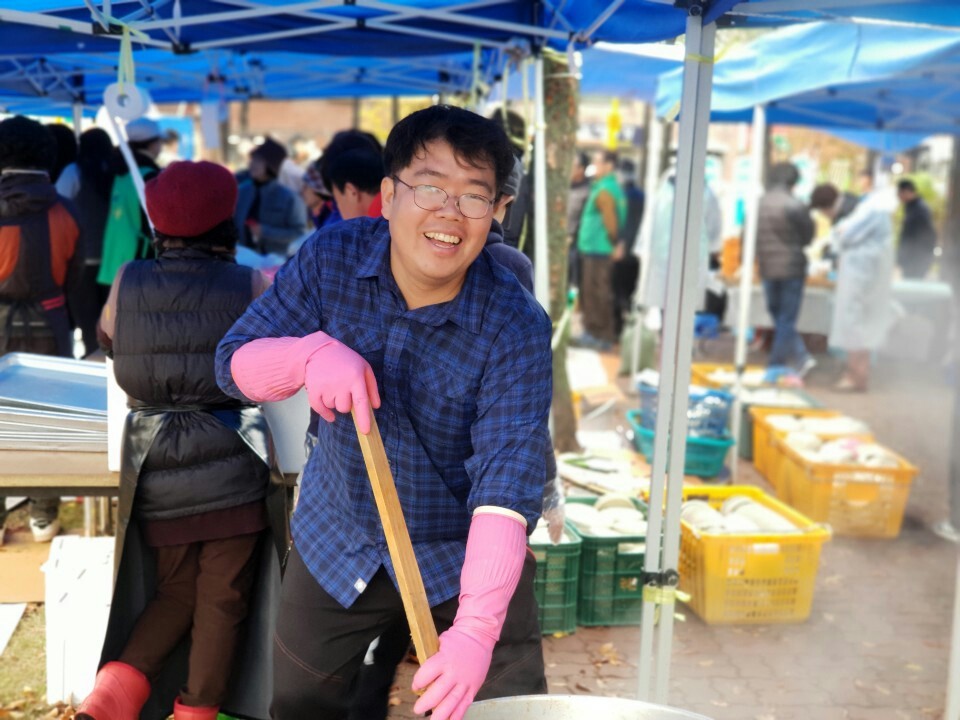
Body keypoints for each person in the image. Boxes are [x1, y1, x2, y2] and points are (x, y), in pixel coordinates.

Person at [215, 105, 551, 720]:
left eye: (473, 196)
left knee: (508, 707)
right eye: (429, 187)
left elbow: (506, 488)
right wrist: (306, 354)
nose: (449, 212)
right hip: (341, 533)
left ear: (497, 212)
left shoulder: (516, 325)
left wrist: (476, 632)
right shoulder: (333, 257)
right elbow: (232, 364)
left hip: (463, 550)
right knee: (301, 702)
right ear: (389, 196)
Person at [79, 161, 287, 720]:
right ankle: (194, 712)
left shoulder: (127, 279)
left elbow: (109, 338)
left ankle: (112, 692)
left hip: (154, 461)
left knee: (175, 592)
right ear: (227, 220)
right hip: (231, 460)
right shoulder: (249, 283)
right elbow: (273, 359)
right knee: (222, 598)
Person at [0, 116, 82, 546]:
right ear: (48, 156)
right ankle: (42, 517)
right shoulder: (66, 210)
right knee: (46, 424)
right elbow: (78, 288)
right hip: (50, 330)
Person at [810, 173, 895, 392]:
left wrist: (840, 236)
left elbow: (845, 237)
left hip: (862, 275)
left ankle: (856, 374)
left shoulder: (867, 212)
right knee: (859, 323)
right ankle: (858, 373)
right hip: (864, 274)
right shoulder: (865, 209)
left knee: (855, 323)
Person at [56, 127, 116, 357]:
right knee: (111, 320)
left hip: (83, 256)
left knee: (87, 319)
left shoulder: (74, 171)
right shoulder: (117, 171)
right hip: (114, 259)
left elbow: (59, 203)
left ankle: (93, 360)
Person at [756, 162, 816, 374]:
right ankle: (778, 364)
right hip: (792, 267)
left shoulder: (759, 203)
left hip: (766, 267)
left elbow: (750, 235)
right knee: (786, 318)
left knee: (778, 315)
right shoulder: (795, 205)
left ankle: (799, 358)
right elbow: (808, 236)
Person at [98, 117, 163, 289]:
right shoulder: (149, 176)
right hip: (139, 262)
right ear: (152, 144)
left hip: (115, 261)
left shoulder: (119, 172)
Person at [574, 150, 626, 350]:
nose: (594, 166)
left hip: (599, 249)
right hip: (596, 248)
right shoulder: (607, 187)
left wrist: (614, 244)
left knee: (597, 293)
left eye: (597, 162)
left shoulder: (605, 190)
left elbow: (611, 222)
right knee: (593, 292)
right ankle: (594, 332)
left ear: (609, 166)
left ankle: (600, 335)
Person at [234, 137, 308, 256]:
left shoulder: (289, 198)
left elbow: (299, 234)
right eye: (252, 159)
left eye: (258, 161)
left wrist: (265, 231)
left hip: (278, 264)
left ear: (271, 165)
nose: (252, 164)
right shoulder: (241, 193)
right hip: (244, 260)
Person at [611, 158, 644, 339]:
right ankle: (628, 330)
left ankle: (619, 331)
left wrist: (621, 243)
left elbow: (626, 224)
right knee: (630, 292)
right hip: (636, 253)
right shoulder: (641, 195)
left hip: (623, 250)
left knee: (618, 291)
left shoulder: (623, 195)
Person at [325, 146, 384, 220]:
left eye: (337, 202)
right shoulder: (396, 205)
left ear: (352, 192)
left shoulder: (375, 227)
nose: (339, 212)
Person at [896, 178, 937, 279]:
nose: (898, 197)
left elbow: (928, 235)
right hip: (912, 257)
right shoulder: (912, 207)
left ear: (906, 192)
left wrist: (924, 257)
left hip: (917, 258)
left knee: (912, 286)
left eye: (899, 193)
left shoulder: (920, 209)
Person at [567, 151, 590, 289]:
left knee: (573, 282)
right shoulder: (563, 187)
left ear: (581, 169)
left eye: (573, 165)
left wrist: (572, 236)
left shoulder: (588, 190)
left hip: (575, 244)